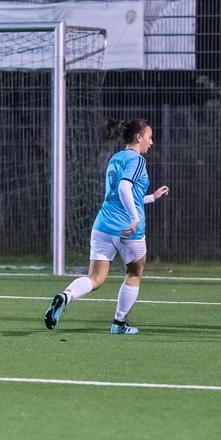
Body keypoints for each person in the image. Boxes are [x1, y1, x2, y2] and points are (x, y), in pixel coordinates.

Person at [44, 118, 170, 334]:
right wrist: (134, 217)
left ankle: (66, 296)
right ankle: (118, 324)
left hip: (103, 225)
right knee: (134, 273)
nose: (151, 142)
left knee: (96, 278)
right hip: (128, 229)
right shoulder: (137, 160)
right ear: (139, 137)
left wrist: (151, 197)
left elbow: (124, 193)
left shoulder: (116, 158)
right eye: (149, 137)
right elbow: (123, 189)